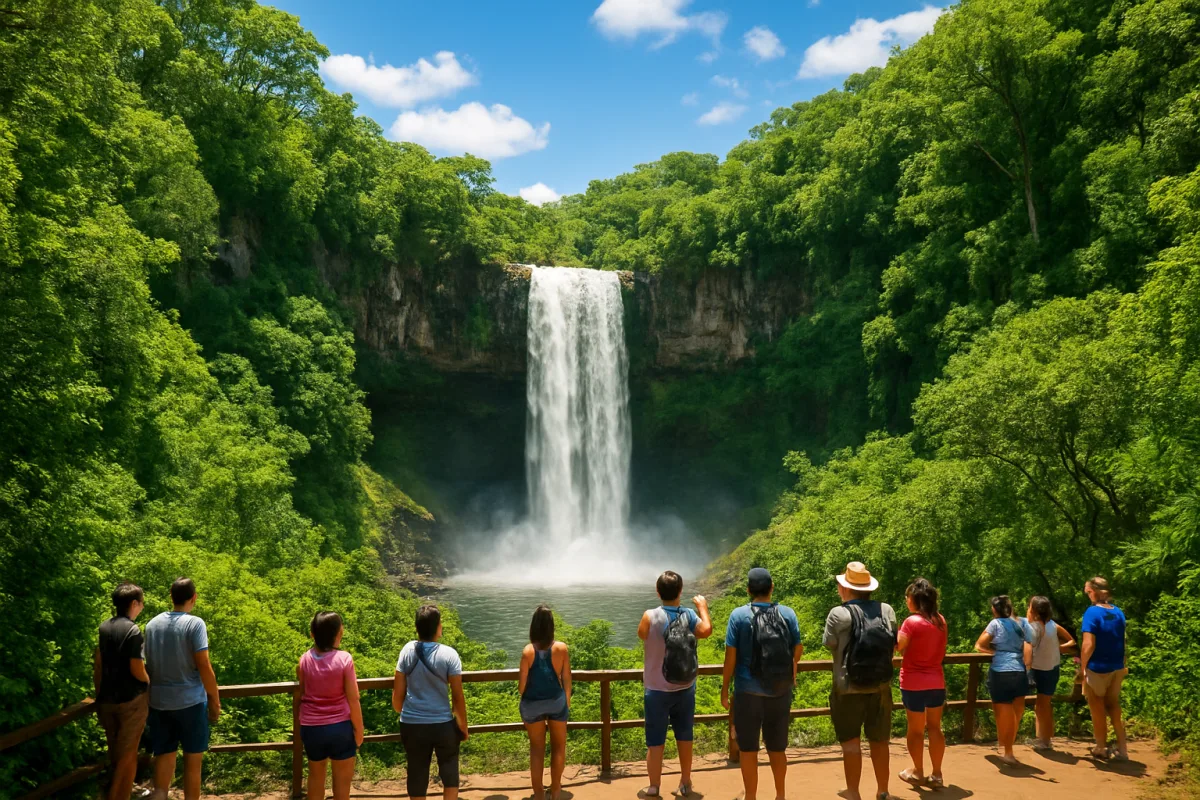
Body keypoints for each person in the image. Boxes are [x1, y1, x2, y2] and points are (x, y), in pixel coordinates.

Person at [720, 567, 803, 800]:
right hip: (780, 690)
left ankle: (751, 797)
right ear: (772, 588)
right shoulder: (788, 614)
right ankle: (780, 795)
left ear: (748, 590)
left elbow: (730, 658)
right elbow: (797, 649)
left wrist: (725, 689)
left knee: (748, 750)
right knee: (777, 748)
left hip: (748, 692)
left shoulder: (738, 616)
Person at [823, 562, 898, 800]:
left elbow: (830, 645)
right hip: (880, 686)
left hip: (847, 688)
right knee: (880, 741)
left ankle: (853, 792)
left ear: (845, 588)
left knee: (851, 743)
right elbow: (893, 643)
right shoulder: (887, 610)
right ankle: (883, 790)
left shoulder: (838, 614)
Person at [637, 571, 713, 798]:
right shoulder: (689, 616)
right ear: (681, 592)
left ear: (658, 592)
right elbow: (706, 631)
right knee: (684, 736)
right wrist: (702, 607)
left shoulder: (649, 616)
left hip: (656, 689)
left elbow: (642, 636)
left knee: (655, 740)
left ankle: (654, 786)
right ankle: (686, 783)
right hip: (685, 687)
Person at [144, 577, 221, 800]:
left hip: (158, 703)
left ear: (171, 596)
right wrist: (214, 700)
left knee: (163, 760)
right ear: (194, 598)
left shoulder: (151, 625)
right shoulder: (195, 624)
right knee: (192, 764)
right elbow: (204, 664)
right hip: (190, 703)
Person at [392, 605, 469, 800]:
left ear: (417, 628)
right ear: (438, 627)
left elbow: (397, 694)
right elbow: (457, 696)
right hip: (443, 723)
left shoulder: (407, 650)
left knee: (417, 771)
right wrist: (463, 726)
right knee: (450, 769)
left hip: (412, 723)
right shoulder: (450, 654)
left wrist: (407, 712)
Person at [297, 612, 364, 800]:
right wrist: (359, 730)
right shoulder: (344, 659)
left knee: (315, 777)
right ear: (337, 634)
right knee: (342, 784)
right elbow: (353, 699)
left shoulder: (304, 660)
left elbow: (303, 693)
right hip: (340, 728)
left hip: (311, 729)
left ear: (313, 634)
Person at [95, 583, 150, 800]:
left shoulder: (104, 627)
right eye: (141, 603)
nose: (142, 607)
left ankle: (123, 792)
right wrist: (148, 682)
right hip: (130, 700)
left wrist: (99, 694)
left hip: (107, 699)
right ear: (134, 603)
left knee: (116, 753)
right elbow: (137, 668)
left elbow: (98, 663)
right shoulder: (133, 630)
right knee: (128, 756)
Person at [895, 578, 947, 790]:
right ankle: (937, 774)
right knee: (935, 728)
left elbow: (899, 646)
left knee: (916, 731)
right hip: (936, 681)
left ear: (914, 600)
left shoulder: (911, 622)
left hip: (913, 682)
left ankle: (918, 771)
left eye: (908, 597)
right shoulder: (941, 621)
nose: (906, 600)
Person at [519, 605, 572, 800]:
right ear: (551, 626)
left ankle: (539, 793)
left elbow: (521, 687)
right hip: (557, 702)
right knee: (559, 746)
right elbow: (567, 678)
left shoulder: (527, 651)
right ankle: (556, 790)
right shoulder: (561, 648)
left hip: (532, 704)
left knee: (537, 748)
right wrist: (566, 700)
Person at [974, 595, 1032, 766]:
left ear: (994, 610)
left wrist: (994, 653)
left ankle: (1008, 752)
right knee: (1017, 712)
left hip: (1001, 671)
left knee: (1004, 714)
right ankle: (1007, 748)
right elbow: (1030, 643)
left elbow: (979, 645)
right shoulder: (1022, 623)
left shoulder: (995, 624)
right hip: (1020, 670)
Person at [1081, 577, 1128, 761]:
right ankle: (1123, 749)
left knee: (1097, 706)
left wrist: (1083, 667)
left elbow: (1088, 644)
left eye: (1088, 592)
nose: (1087, 595)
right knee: (1114, 706)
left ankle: (1101, 747)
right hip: (1117, 666)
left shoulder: (1092, 613)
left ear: (1095, 591)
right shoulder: (1118, 612)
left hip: (1098, 667)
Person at [1025, 596, 1075, 751]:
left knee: (1041, 706)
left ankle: (1044, 741)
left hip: (1039, 670)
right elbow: (1072, 641)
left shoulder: (1032, 628)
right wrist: (1057, 649)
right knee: (1044, 705)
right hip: (1053, 668)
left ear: (1033, 610)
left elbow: (1026, 648)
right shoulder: (1053, 625)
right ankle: (1044, 739)